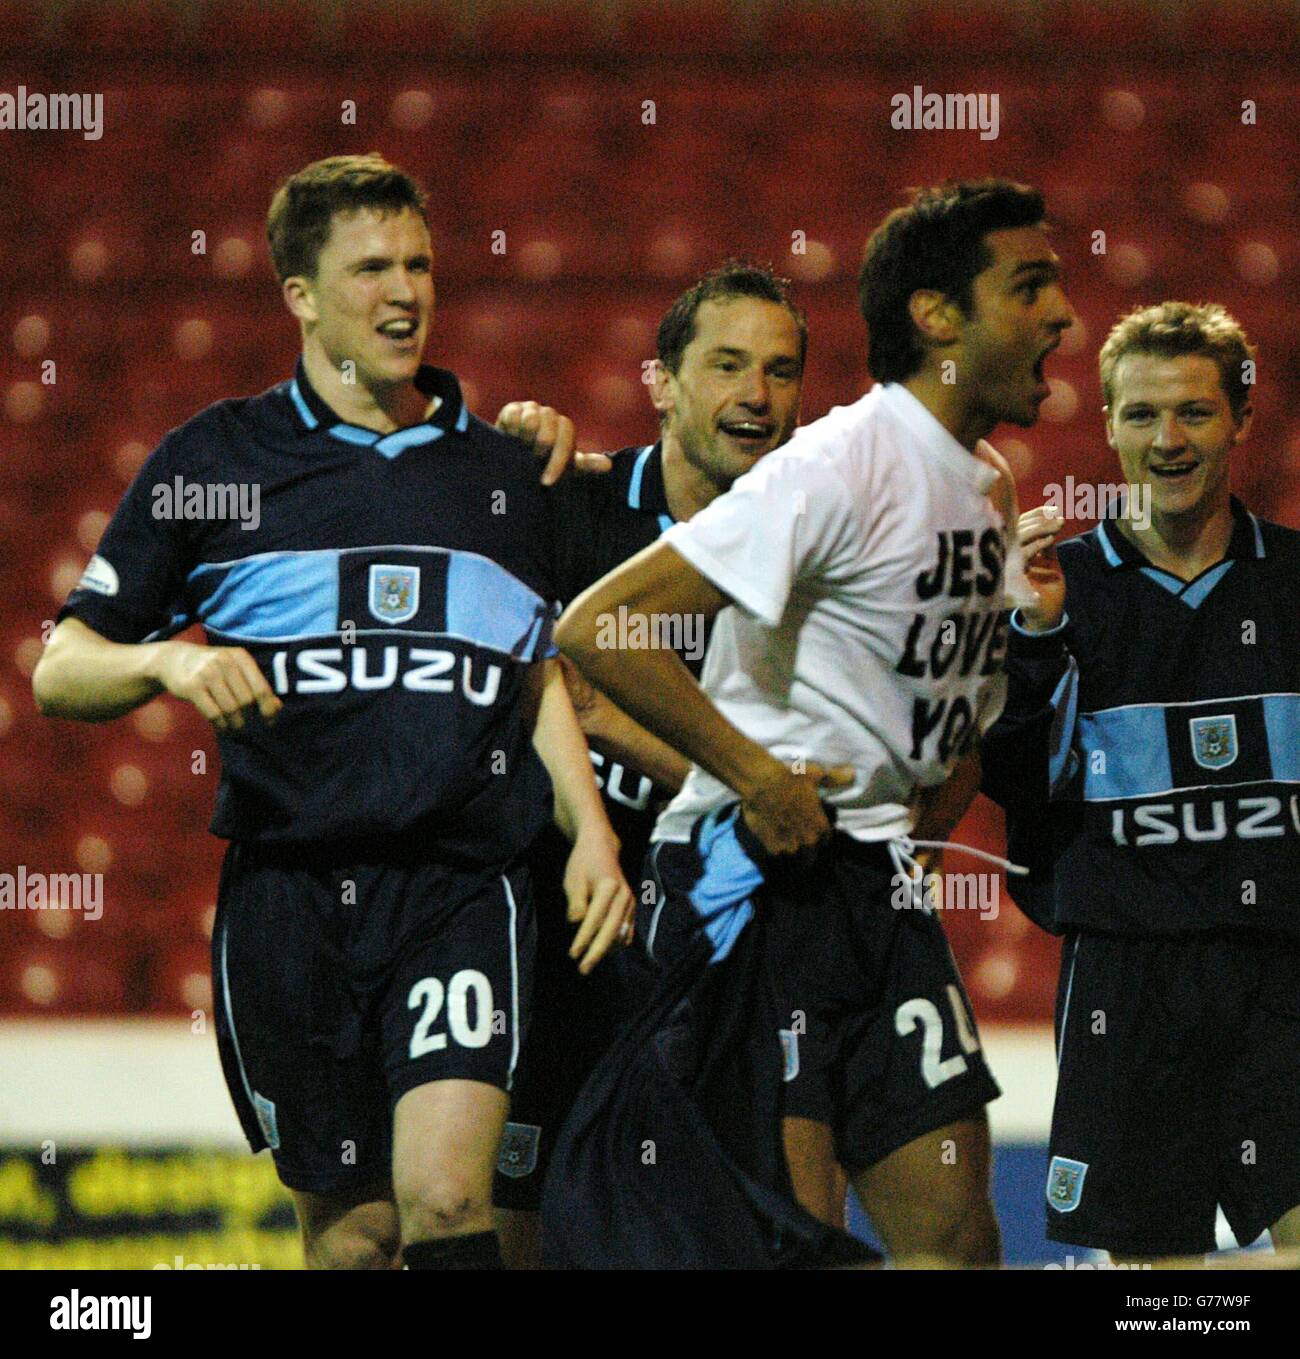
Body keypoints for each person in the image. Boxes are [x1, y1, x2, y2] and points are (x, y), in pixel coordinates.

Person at [31, 153, 633, 1271]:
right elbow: (59, 671)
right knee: (352, 1238)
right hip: (289, 896)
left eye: (418, 264)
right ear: (299, 295)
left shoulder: (504, 474)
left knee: (449, 1201)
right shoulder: (213, 463)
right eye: (369, 270)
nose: (403, 293)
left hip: (461, 882)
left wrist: (588, 830)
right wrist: (166, 662)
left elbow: (531, 668)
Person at [553, 179, 1075, 1265]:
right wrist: (754, 776)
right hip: (754, 892)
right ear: (937, 317)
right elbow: (599, 627)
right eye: (1028, 288)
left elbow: (956, 727)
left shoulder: (982, 487)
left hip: (874, 891)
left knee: (959, 1246)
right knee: (788, 1246)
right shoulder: (838, 464)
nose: (1060, 316)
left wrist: (912, 817)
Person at [492, 261, 813, 1265]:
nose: (754, 396)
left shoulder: (819, 549)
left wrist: (619, 724)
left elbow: (804, 795)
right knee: (521, 1235)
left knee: (779, 1235)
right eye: (725, 366)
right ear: (661, 383)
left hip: (735, 955)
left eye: (778, 370)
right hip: (563, 943)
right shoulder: (566, 511)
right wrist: (489, 465)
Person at [983, 300, 1300, 1262]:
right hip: (1129, 977)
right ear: (1110, 424)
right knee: (1152, 1286)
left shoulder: (1293, 584)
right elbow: (1014, 790)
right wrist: (1031, 637)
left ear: (1242, 420)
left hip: (1285, 977)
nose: (1168, 440)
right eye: (1142, 414)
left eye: (1196, 412)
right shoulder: (1055, 590)